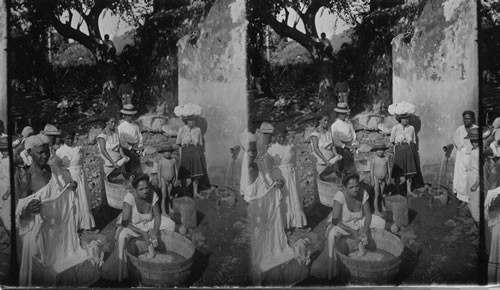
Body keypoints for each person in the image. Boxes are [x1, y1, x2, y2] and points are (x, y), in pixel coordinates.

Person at [15, 135, 86, 286]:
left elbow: (67, 185)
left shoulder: (54, 169)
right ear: (29, 153)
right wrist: (28, 209)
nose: (44, 156)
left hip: (58, 231)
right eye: (39, 152)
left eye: (46, 151)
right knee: (42, 271)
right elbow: (19, 211)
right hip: (40, 233)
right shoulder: (27, 178)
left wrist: (72, 186)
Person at [310, 173, 386, 280]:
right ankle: (332, 271)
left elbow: (368, 214)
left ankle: (373, 247)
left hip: (359, 221)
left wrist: (364, 229)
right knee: (332, 234)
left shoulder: (363, 193)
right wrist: (353, 232)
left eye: (357, 186)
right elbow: (335, 220)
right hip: (342, 224)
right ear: (345, 188)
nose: (355, 189)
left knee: (380, 222)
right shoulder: (340, 196)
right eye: (351, 187)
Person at [101, 174, 175, 282]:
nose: (145, 191)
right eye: (141, 189)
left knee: (170, 224)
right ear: (135, 190)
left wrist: (154, 232)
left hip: (148, 222)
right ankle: (123, 272)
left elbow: (158, 216)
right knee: (122, 236)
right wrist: (143, 234)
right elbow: (125, 222)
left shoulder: (153, 195)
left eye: (146, 188)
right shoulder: (129, 198)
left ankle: (163, 249)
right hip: (132, 225)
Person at [245, 141, 295, 280]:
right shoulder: (246, 170)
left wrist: (275, 185)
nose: (252, 154)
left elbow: (267, 183)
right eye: (249, 151)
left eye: (253, 151)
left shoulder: (260, 165)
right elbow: (250, 195)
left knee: (271, 234)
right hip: (255, 208)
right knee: (259, 235)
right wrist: (271, 189)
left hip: (265, 204)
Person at [267, 128, 308, 231]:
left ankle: (298, 223)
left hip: (291, 174)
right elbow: (269, 166)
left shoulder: (290, 147)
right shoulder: (271, 149)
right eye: (279, 137)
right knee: (284, 199)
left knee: (295, 197)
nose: (281, 139)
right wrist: (275, 179)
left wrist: (293, 173)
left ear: (286, 136)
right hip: (280, 175)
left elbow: (294, 161)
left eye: (283, 136)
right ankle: (285, 225)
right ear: (275, 137)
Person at [56, 131, 96, 232]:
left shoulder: (78, 148)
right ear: (63, 139)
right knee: (74, 201)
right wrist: (65, 180)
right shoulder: (60, 151)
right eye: (67, 138)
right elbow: (58, 168)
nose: (70, 140)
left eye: (71, 138)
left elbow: (81, 162)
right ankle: (75, 226)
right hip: (69, 177)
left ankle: (86, 225)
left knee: (83, 200)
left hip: (80, 176)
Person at [444, 111, 478, 207]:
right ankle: (461, 197)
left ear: (472, 119)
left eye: (468, 118)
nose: (466, 120)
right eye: (464, 118)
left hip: (472, 155)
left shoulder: (476, 129)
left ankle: (468, 198)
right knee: (460, 176)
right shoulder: (460, 129)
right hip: (461, 155)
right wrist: (460, 147)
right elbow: (455, 139)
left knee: (470, 176)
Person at [176, 115, 205, 199]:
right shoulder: (182, 129)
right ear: (186, 121)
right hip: (186, 152)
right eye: (190, 120)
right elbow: (178, 142)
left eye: (193, 120)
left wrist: (196, 143)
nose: (192, 122)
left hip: (195, 152)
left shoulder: (198, 130)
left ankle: (195, 192)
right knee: (185, 172)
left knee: (196, 173)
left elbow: (200, 142)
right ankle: (184, 192)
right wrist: (183, 143)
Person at [390, 113, 417, 197]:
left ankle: (408, 190)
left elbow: (414, 140)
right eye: (404, 118)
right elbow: (392, 140)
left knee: (409, 172)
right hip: (399, 150)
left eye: (407, 118)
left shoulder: (411, 128)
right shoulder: (395, 128)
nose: (406, 120)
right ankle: (398, 191)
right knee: (398, 171)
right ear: (400, 119)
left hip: (408, 150)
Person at [331, 103, 357, 175]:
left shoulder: (349, 123)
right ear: (338, 114)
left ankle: (350, 177)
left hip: (349, 145)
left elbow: (353, 134)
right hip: (340, 147)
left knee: (350, 165)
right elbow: (335, 140)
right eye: (342, 114)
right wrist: (344, 146)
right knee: (341, 165)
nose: (344, 116)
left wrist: (353, 144)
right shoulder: (335, 125)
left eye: (345, 114)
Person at [117, 105, 144, 176]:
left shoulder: (135, 126)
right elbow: (121, 141)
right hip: (127, 148)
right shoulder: (121, 127)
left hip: (136, 147)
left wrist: (140, 146)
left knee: (137, 164)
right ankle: (129, 179)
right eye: (128, 115)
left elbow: (139, 137)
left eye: (131, 115)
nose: (130, 117)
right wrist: (130, 147)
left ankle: (138, 178)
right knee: (129, 165)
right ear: (124, 116)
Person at [464, 127, 480, 225]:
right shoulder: (474, 150)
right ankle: (475, 225)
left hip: (475, 181)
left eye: (476, 141)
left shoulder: (478, 153)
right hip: (470, 179)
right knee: (471, 202)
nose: (474, 143)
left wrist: (476, 184)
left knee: (475, 206)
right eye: (472, 141)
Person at [370, 142, 390, 215]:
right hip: (376, 178)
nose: (380, 151)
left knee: (381, 193)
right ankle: (376, 210)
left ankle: (382, 205)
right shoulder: (374, 159)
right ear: (375, 151)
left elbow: (388, 169)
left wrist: (389, 178)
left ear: (384, 150)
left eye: (382, 150)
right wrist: (372, 180)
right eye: (378, 150)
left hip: (383, 179)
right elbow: (371, 171)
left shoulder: (386, 158)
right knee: (376, 194)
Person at [157, 144, 178, 215]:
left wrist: (176, 179)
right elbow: (159, 172)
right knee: (164, 196)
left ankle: (169, 207)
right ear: (163, 153)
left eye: (169, 152)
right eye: (166, 152)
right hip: (163, 180)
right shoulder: (161, 161)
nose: (168, 153)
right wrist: (159, 182)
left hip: (171, 181)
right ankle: (163, 211)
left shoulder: (173, 160)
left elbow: (176, 170)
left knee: (169, 195)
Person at [239, 122, 258, 197]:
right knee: (248, 170)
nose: (252, 127)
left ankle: (252, 190)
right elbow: (242, 143)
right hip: (249, 154)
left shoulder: (255, 134)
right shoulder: (246, 133)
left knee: (252, 171)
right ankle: (247, 190)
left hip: (253, 153)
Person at [0, 137, 11, 234]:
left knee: (7, 217)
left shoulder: (7, 162)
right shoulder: (4, 160)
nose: (4, 152)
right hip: (2, 189)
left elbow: (11, 180)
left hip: (6, 192)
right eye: (2, 150)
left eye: (6, 150)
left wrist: (6, 194)